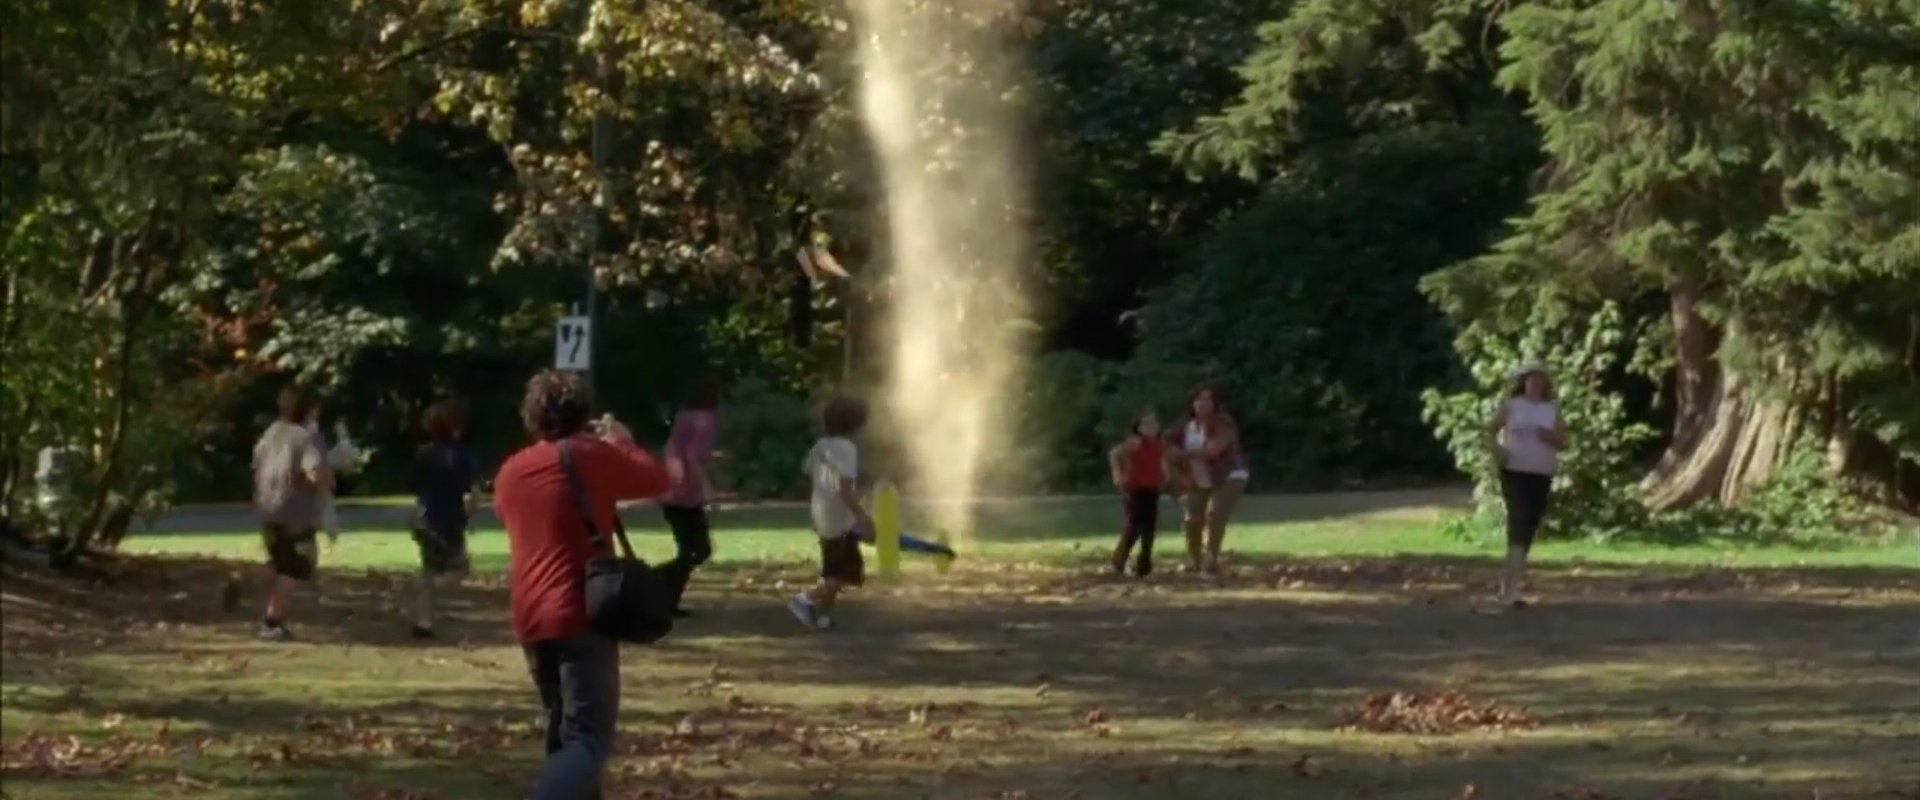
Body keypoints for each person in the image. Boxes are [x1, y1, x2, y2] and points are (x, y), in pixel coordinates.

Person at [493, 370, 672, 800]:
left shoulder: (511, 470)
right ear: (583, 413)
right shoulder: (591, 455)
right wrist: (622, 441)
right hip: (579, 611)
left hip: (530, 615)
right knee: (588, 739)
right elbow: (656, 479)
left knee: (563, 733)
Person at [250, 386, 333, 641]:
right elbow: (316, 473)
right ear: (308, 409)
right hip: (295, 511)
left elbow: (256, 465)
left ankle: (242, 580)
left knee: (278, 561)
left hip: (267, 507)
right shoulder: (307, 437)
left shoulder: (271, 433)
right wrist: (330, 478)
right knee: (298, 565)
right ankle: (272, 620)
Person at [789, 397, 873, 632]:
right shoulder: (846, 448)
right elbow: (845, 489)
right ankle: (803, 599)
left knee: (834, 570)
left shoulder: (821, 445)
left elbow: (808, 471)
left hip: (823, 512)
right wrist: (862, 516)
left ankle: (823, 618)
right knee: (845, 572)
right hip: (839, 519)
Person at [1486, 360, 1566, 608]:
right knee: (1518, 522)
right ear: (1523, 383)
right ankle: (1509, 590)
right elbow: (1489, 430)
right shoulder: (1512, 407)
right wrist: (1497, 450)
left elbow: (1564, 441)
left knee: (1529, 525)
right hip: (1515, 471)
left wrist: (1551, 437)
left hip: (1541, 473)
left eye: (1540, 380)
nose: (1536, 384)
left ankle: (1511, 584)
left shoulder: (1551, 409)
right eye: (1532, 379)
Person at [408, 399, 481, 639]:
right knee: (460, 568)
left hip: (426, 517)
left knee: (428, 569)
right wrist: (473, 515)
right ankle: (433, 592)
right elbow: (471, 493)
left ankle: (423, 620)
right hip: (451, 518)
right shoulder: (464, 456)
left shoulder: (422, 454)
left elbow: (417, 490)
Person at [1170, 386, 1249, 577]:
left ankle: (1211, 560)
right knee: (1192, 518)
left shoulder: (1223, 423)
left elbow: (1213, 450)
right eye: (1199, 399)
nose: (1203, 404)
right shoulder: (1184, 426)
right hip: (1199, 476)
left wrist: (1182, 455)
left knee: (1215, 515)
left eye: (1208, 399)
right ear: (1192, 403)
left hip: (1229, 474)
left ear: (1215, 403)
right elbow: (1167, 447)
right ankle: (1194, 560)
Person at [660, 377, 720, 618]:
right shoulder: (705, 421)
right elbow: (693, 456)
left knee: (690, 549)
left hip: (669, 486)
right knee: (696, 549)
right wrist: (707, 487)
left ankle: (666, 596)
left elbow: (680, 449)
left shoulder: (684, 416)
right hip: (685, 492)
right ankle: (657, 584)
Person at [1107, 409, 1170, 577]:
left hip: (1152, 488)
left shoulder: (1159, 443)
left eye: (1154, 423)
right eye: (1146, 423)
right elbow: (1114, 454)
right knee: (1134, 526)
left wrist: (1165, 476)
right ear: (1139, 427)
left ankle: (1144, 564)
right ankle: (1119, 560)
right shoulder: (1135, 442)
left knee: (1149, 527)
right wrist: (1118, 475)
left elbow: (1160, 461)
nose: (1151, 427)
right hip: (1135, 488)